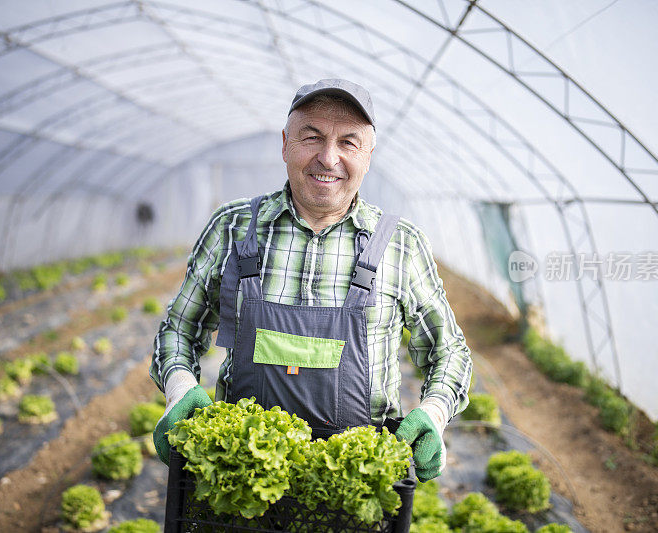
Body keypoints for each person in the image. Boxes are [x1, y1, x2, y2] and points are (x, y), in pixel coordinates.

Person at [149, 79, 472, 482]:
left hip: (356, 481)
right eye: (312, 137)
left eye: (349, 143)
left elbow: (449, 350)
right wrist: (180, 387)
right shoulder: (232, 228)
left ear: (369, 155)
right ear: (285, 143)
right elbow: (180, 329)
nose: (328, 157)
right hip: (239, 476)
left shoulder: (400, 245)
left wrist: (434, 412)